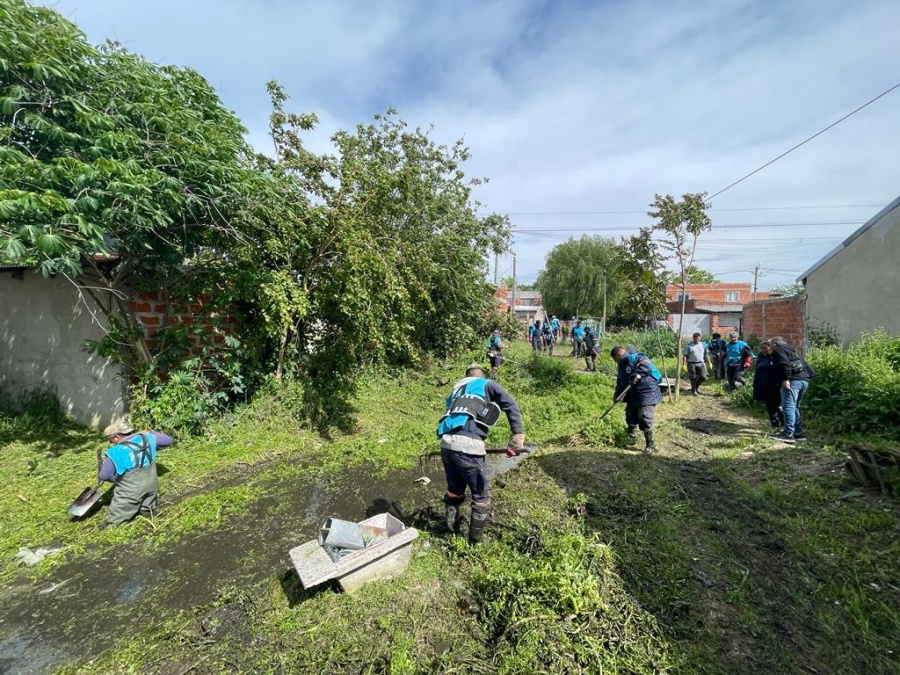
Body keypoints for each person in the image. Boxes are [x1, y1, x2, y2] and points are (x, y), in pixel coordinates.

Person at [436, 363, 525, 544]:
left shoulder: (456, 389)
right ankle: (474, 542)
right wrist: (517, 436)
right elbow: (510, 404)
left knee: (454, 490)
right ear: (482, 376)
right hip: (468, 446)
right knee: (481, 496)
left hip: (447, 446)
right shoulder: (486, 384)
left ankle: (451, 530)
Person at [99, 423, 174, 526]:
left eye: (110, 440)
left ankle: (114, 525)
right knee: (148, 503)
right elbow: (169, 440)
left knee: (120, 512)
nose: (111, 443)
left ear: (116, 438)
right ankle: (146, 510)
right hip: (152, 484)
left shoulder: (115, 451)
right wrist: (149, 433)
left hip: (130, 491)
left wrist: (117, 479)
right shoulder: (148, 438)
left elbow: (104, 475)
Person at [610, 346, 663, 454]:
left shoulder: (636, 357)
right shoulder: (620, 367)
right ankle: (632, 437)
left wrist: (636, 376)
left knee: (645, 416)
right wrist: (617, 395)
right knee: (630, 415)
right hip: (633, 393)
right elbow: (620, 383)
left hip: (647, 392)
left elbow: (645, 366)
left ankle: (650, 444)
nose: (615, 362)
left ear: (619, 355)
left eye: (615, 359)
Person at [769, 336, 814, 443]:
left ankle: (788, 434)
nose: (770, 348)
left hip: (793, 382)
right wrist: (807, 378)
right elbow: (807, 367)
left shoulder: (778, 351)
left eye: (771, 346)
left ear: (775, 344)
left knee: (788, 407)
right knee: (795, 408)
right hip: (804, 381)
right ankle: (798, 433)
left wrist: (786, 379)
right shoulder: (793, 351)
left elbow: (785, 365)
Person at [752, 341, 783, 429]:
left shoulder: (775, 357)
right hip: (765, 385)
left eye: (765, 348)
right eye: (761, 348)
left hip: (777, 386)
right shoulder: (761, 356)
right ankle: (774, 424)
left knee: (779, 406)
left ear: (770, 348)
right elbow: (757, 371)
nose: (763, 350)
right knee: (770, 405)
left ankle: (784, 424)